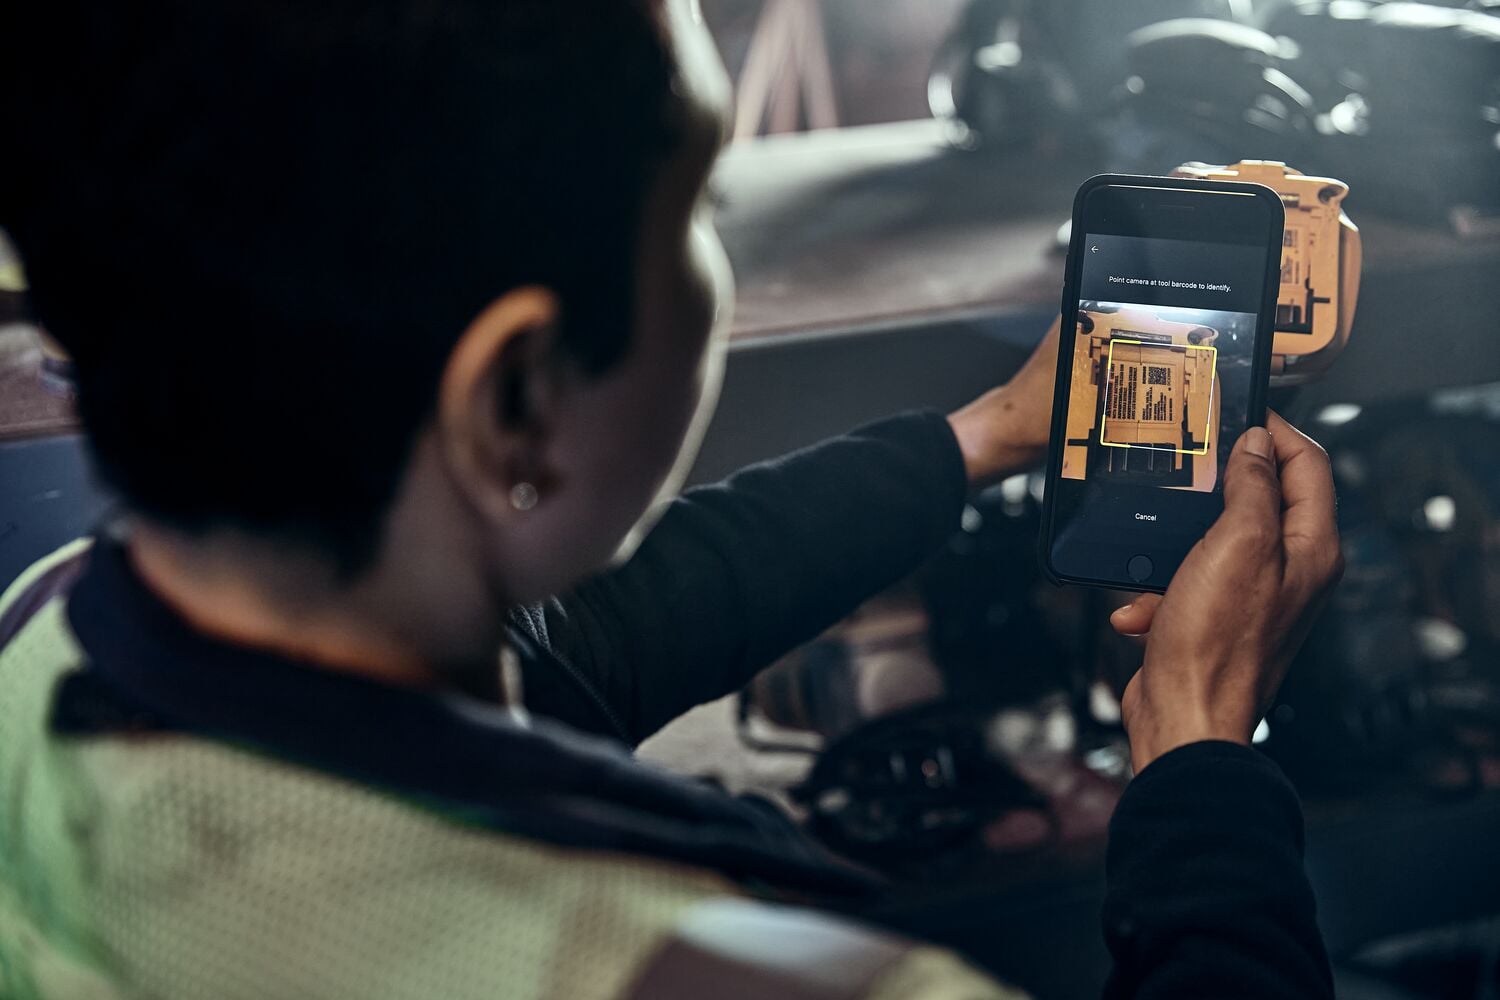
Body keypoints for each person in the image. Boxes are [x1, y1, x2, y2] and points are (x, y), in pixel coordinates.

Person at [0, 1, 1343, 997]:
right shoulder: (739, 977)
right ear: (516, 398)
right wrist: (1200, 756)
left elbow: (575, 654)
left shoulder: (45, 642)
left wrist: (985, 435)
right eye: (700, 199)